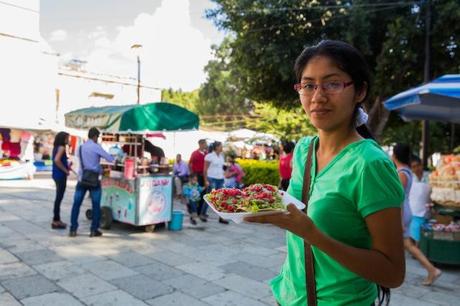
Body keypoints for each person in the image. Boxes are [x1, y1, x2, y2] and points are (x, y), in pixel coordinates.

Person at [245, 40, 407, 306]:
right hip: (288, 297)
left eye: (332, 84)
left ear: (360, 91)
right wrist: (265, 205)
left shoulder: (370, 164)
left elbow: (392, 273)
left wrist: (312, 234)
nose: (317, 96)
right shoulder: (304, 149)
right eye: (308, 85)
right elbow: (296, 210)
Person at [392, 144, 441, 286]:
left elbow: (398, 197)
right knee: (405, 244)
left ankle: (431, 269)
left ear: (395, 155)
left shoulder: (402, 172)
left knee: (408, 245)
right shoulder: (406, 170)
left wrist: (399, 220)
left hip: (401, 212)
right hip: (405, 210)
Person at [69, 127, 114, 238]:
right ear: (95, 137)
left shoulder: (80, 147)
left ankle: (73, 229)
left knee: (76, 205)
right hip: (94, 180)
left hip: (82, 179)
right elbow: (110, 159)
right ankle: (94, 230)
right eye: (97, 137)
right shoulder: (96, 147)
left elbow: (79, 161)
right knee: (96, 205)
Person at [204, 141, 229, 224]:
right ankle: (203, 213)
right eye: (221, 146)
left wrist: (225, 174)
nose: (222, 148)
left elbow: (222, 168)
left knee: (221, 198)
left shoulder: (222, 156)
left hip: (220, 179)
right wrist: (205, 180)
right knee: (210, 197)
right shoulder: (209, 156)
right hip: (212, 178)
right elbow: (205, 170)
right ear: (216, 147)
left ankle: (222, 217)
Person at [409, 155, 432, 244]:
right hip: (414, 211)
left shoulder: (429, 176)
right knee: (414, 236)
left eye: (418, 165)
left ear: (422, 165)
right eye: (414, 167)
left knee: (424, 236)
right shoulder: (410, 178)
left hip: (427, 211)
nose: (417, 168)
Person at [51, 131, 70, 230]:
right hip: (60, 175)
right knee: (59, 197)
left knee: (58, 197)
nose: (68, 140)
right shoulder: (62, 148)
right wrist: (65, 170)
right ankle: (56, 220)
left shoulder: (56, 148)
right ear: (63, 139)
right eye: (67, 138)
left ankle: (56, 219)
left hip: (56, 174)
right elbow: (57, 160)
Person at [189, 139, 208, 218]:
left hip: (205, 176)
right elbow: (190, 164)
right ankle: (194, 211)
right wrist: (192, 175)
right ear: (200, 144)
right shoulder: (194, 153)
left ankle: (200, 212)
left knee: (204, 193)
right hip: (197, 175)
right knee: (196, 193)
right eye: (205, 144)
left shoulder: (207, 154)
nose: (206, 145)